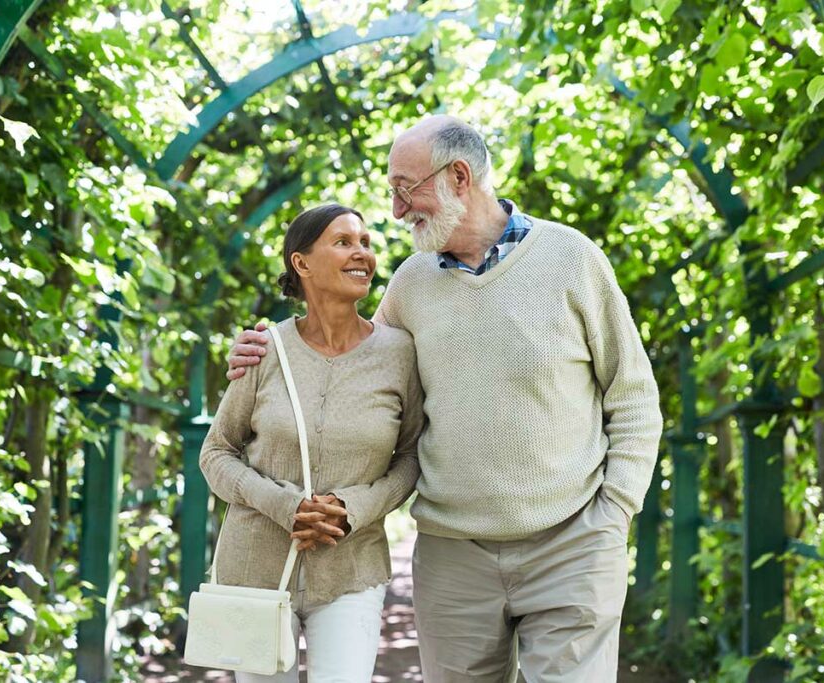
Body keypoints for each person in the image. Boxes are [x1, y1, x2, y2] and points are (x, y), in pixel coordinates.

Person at [226, 117, 663, 682]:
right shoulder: (410, 283)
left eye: (405, 188)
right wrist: (264, 355)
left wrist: (613, 513)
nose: (396, 210)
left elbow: (632, 398)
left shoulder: (571, 260)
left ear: (459, 176)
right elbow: (353, 369)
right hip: (453, 558)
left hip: (572, 543)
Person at [199, 203, 424, 682]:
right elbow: (216, 453)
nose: (361, 252)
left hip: (352, 570)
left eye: (364, 242)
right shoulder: (265, 349)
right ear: (301, 263)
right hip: (255, 571)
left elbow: (409, 458)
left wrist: (352, 508)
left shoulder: (399, 353)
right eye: (343, 242)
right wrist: (285, 505)